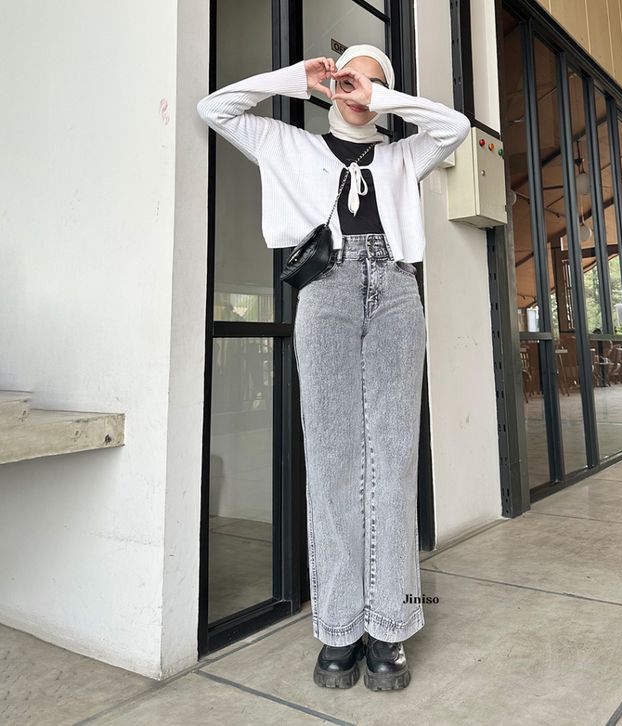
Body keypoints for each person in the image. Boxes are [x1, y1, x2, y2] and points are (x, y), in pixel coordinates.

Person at [197, 44, 470, 691]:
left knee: (394, 459)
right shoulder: (290, 146)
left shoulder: (402, 156)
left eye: (372, 83)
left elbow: (454, 127)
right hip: (326, 293)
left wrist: (383, 98)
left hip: (396, 291)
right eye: (350, 79)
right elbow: (216, 109)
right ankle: (340, 627)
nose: (358, 91)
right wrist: (297, 79)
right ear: (329, 87)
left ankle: (389, 627)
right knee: (332, 459)